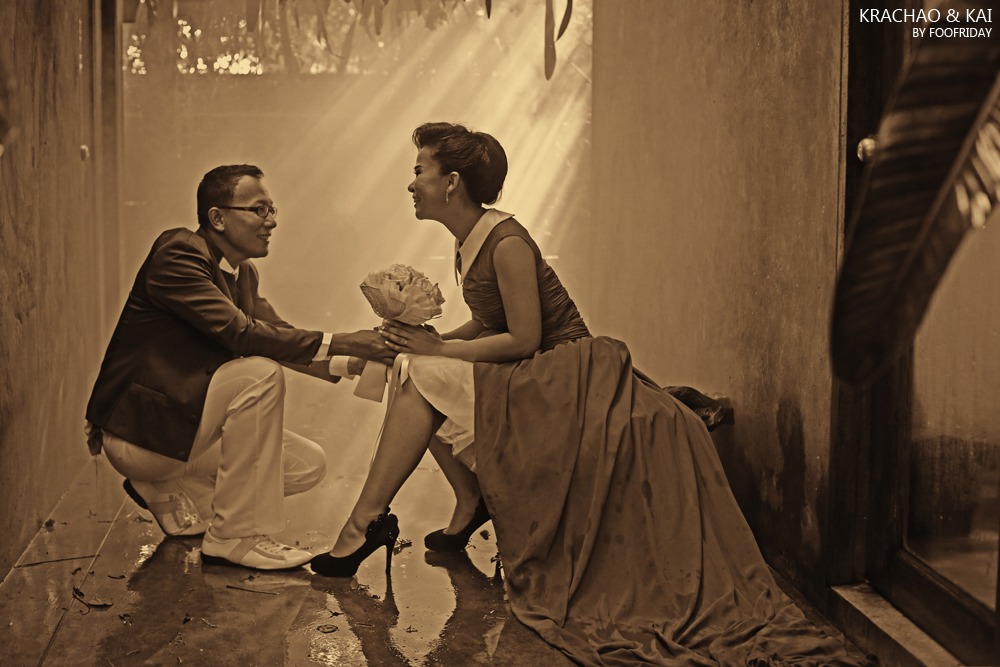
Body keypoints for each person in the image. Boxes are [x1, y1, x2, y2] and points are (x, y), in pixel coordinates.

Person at [311, 125, 865, 666]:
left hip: (563, 371)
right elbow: (486, 321)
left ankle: (365, 524)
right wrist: (429, 340)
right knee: (411, 364)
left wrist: (438, 351)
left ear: (452, 182)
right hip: (532, 368)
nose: (412, 183)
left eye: (419, 171)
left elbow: (525, 338)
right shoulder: (468, 239)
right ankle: (465, 499)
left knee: (421, 373)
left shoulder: (506, 242)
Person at [85, 164, 395, 571]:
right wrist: (345, 340)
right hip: (140, 435)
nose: (272, 221)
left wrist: (352, 361)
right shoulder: (179, 253)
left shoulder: (242, 272)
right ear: (218, 217)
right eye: (259, 209)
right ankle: (233, 536)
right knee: (258, 374)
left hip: (179, 434)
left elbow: (278, 335)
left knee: (306, 465)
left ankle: (162, 487)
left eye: (272, 209)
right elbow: (241, 334)